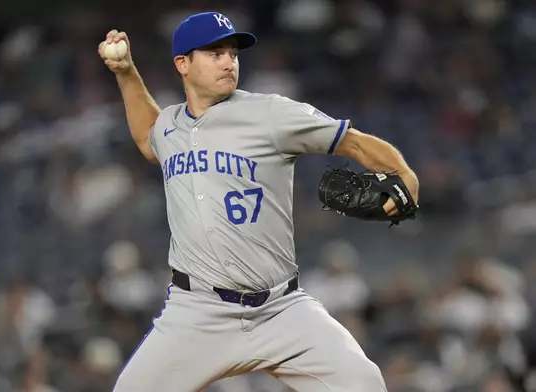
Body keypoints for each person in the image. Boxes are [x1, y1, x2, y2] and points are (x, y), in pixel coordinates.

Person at [98, 11, 419, 392]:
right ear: (182, 63)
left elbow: (353, 142)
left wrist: (405, 177)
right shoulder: (170, 125)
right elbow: (148, 138)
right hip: (197, 312)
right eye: (214, 53)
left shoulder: (270, 113)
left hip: (280, 309)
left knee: (364, 383)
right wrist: (126, 73)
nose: (228, 62)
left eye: (232, 53)